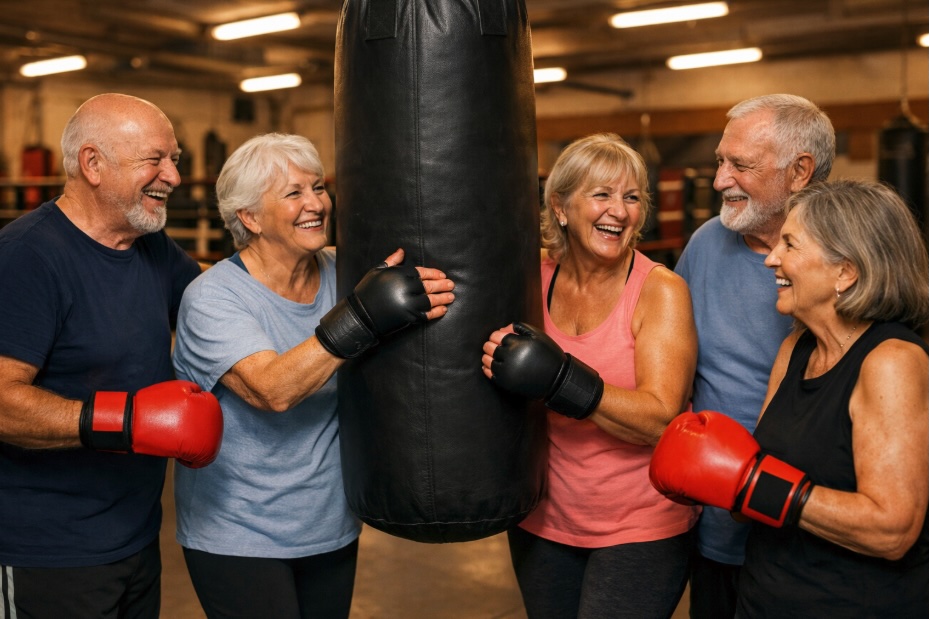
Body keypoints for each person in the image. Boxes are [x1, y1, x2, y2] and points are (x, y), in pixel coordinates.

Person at [171, 132, 455, 618]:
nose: (315, 204)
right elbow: (272, 390)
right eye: (293, 193)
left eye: (318, 187)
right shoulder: (213, 297)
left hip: (330, 526)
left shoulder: (345, 274)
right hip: (239, 534)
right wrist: (362, 315)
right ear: (251, 218)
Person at [651, 178, 929, 616]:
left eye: (791, 246)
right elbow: (751, 504)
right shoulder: (795, 349)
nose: (772, 260)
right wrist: (722, 480)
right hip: (762, 596)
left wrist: (750, 483)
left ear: (846, 272)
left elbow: (891, 530)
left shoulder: (892, 361)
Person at [0, 93, 223, 618]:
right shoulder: (27, 258)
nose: (172, 176)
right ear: (92, 163)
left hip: (137, 537)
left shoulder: (151, 247)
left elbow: (219, 305)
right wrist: (124, 421)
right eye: (156, 160)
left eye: (176, 159)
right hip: (46, 552)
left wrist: (320, 268)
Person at [480, 133, 699, 618]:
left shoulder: (660, 290)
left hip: (640, 524)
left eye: (632, 197)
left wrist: (562, 379)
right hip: (543, 518)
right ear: (560, 207)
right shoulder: (532, 277)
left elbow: (661, 419)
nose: (618, 211)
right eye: (601, 194)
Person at [672, 93, 836, 618]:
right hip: (714, 521)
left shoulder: (847, 265)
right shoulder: (704, 244)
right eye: (720, 162)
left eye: (739, 165)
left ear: (799, 172)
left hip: (812, 536)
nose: (720, 180)